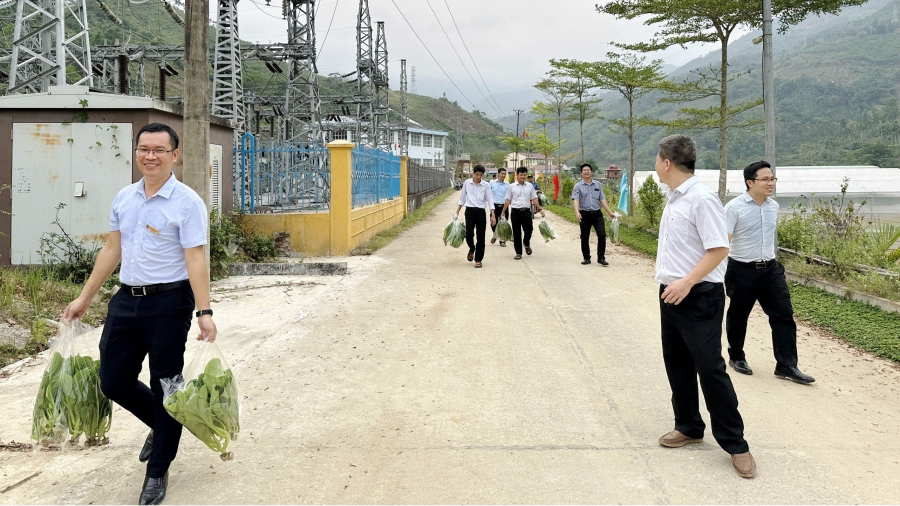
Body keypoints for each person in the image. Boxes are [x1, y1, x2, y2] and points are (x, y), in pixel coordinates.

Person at [62, 123, 218, 504]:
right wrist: (84, 297)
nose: (151, 156)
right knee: (112, 380)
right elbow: (111, 250)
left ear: (174, 155)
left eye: (160, 150)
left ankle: (157, 471)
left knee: (166, 386)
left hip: (169, 304)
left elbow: (196, 258)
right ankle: (164, 426)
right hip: (126, 300)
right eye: (144, 149)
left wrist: (204, 311)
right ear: (137, 153)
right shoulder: (125, 198)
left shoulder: (187, 202)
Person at [654, 134, 756, 479]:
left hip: (698, 296)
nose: (655, 165)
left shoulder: (701, 199)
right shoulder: (675, 197)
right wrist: (673, 283)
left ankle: (736, 443)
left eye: (657, 159)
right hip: (671, 294)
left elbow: (718, 249)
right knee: (677, 363)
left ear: (667, 163)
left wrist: (686, 282)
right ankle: (689, 426)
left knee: (710, 368)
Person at [724, 161, 815, 384]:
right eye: (765, 179)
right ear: (749, 182)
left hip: (771, 270)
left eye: (772, 179)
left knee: (783, 314)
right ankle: (736, 356)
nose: (770, 183)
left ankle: (786, 365)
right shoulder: (733, 208)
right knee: (739, 314)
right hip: (741, 269)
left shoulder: (773, 206)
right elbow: (723, 243)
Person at [572, 163, 617, 266]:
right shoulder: (578, 186)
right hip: (584, 214)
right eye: (584, 170)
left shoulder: (598, 185)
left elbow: (602, 199)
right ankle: (586, 258)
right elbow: (576, 200)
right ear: (581, 173)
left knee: (602, 234)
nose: (586, 171)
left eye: (588, 170)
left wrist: (609, 212)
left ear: (591, 172)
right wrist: (577, 212)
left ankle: (601, 258)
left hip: (597, 214)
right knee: (584, 236)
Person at [455, 165, 496, 268]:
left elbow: (490, 200)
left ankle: (478, 259)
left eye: (480, 175)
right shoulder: (467, 183)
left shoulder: (486, 185)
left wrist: (493, 215)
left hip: (481, 212)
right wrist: (457, 212)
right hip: (469, 212)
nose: (478, 177)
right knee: (468, 235)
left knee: (481, 237)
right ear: (473, 173)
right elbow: (462, 199)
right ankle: (472, 248)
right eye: (477, 174)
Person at [501, 166, 545, 260]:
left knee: (529, 230)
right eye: (521, 175)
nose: (523, 177)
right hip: (515, 212)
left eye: (524, 175)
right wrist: (503, 211)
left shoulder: (530, 186)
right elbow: (508, 200)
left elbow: (534, 198)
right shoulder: (511, 186)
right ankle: (518, 253)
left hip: (526, 212)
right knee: (517, 233)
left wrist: (540, 209)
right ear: (517, 175)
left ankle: (526, 243)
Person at [490, 168, 510, 247]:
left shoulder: (508, 184)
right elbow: (488, 194)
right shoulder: (491, 183)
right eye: (502, 174)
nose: (503, 175)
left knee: (503, 224)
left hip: (504, 206)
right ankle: (495, 234)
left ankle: (502, 240)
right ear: (498, 174)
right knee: (493, 223)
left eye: (505, 174)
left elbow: (509, 197)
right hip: (494, 206)